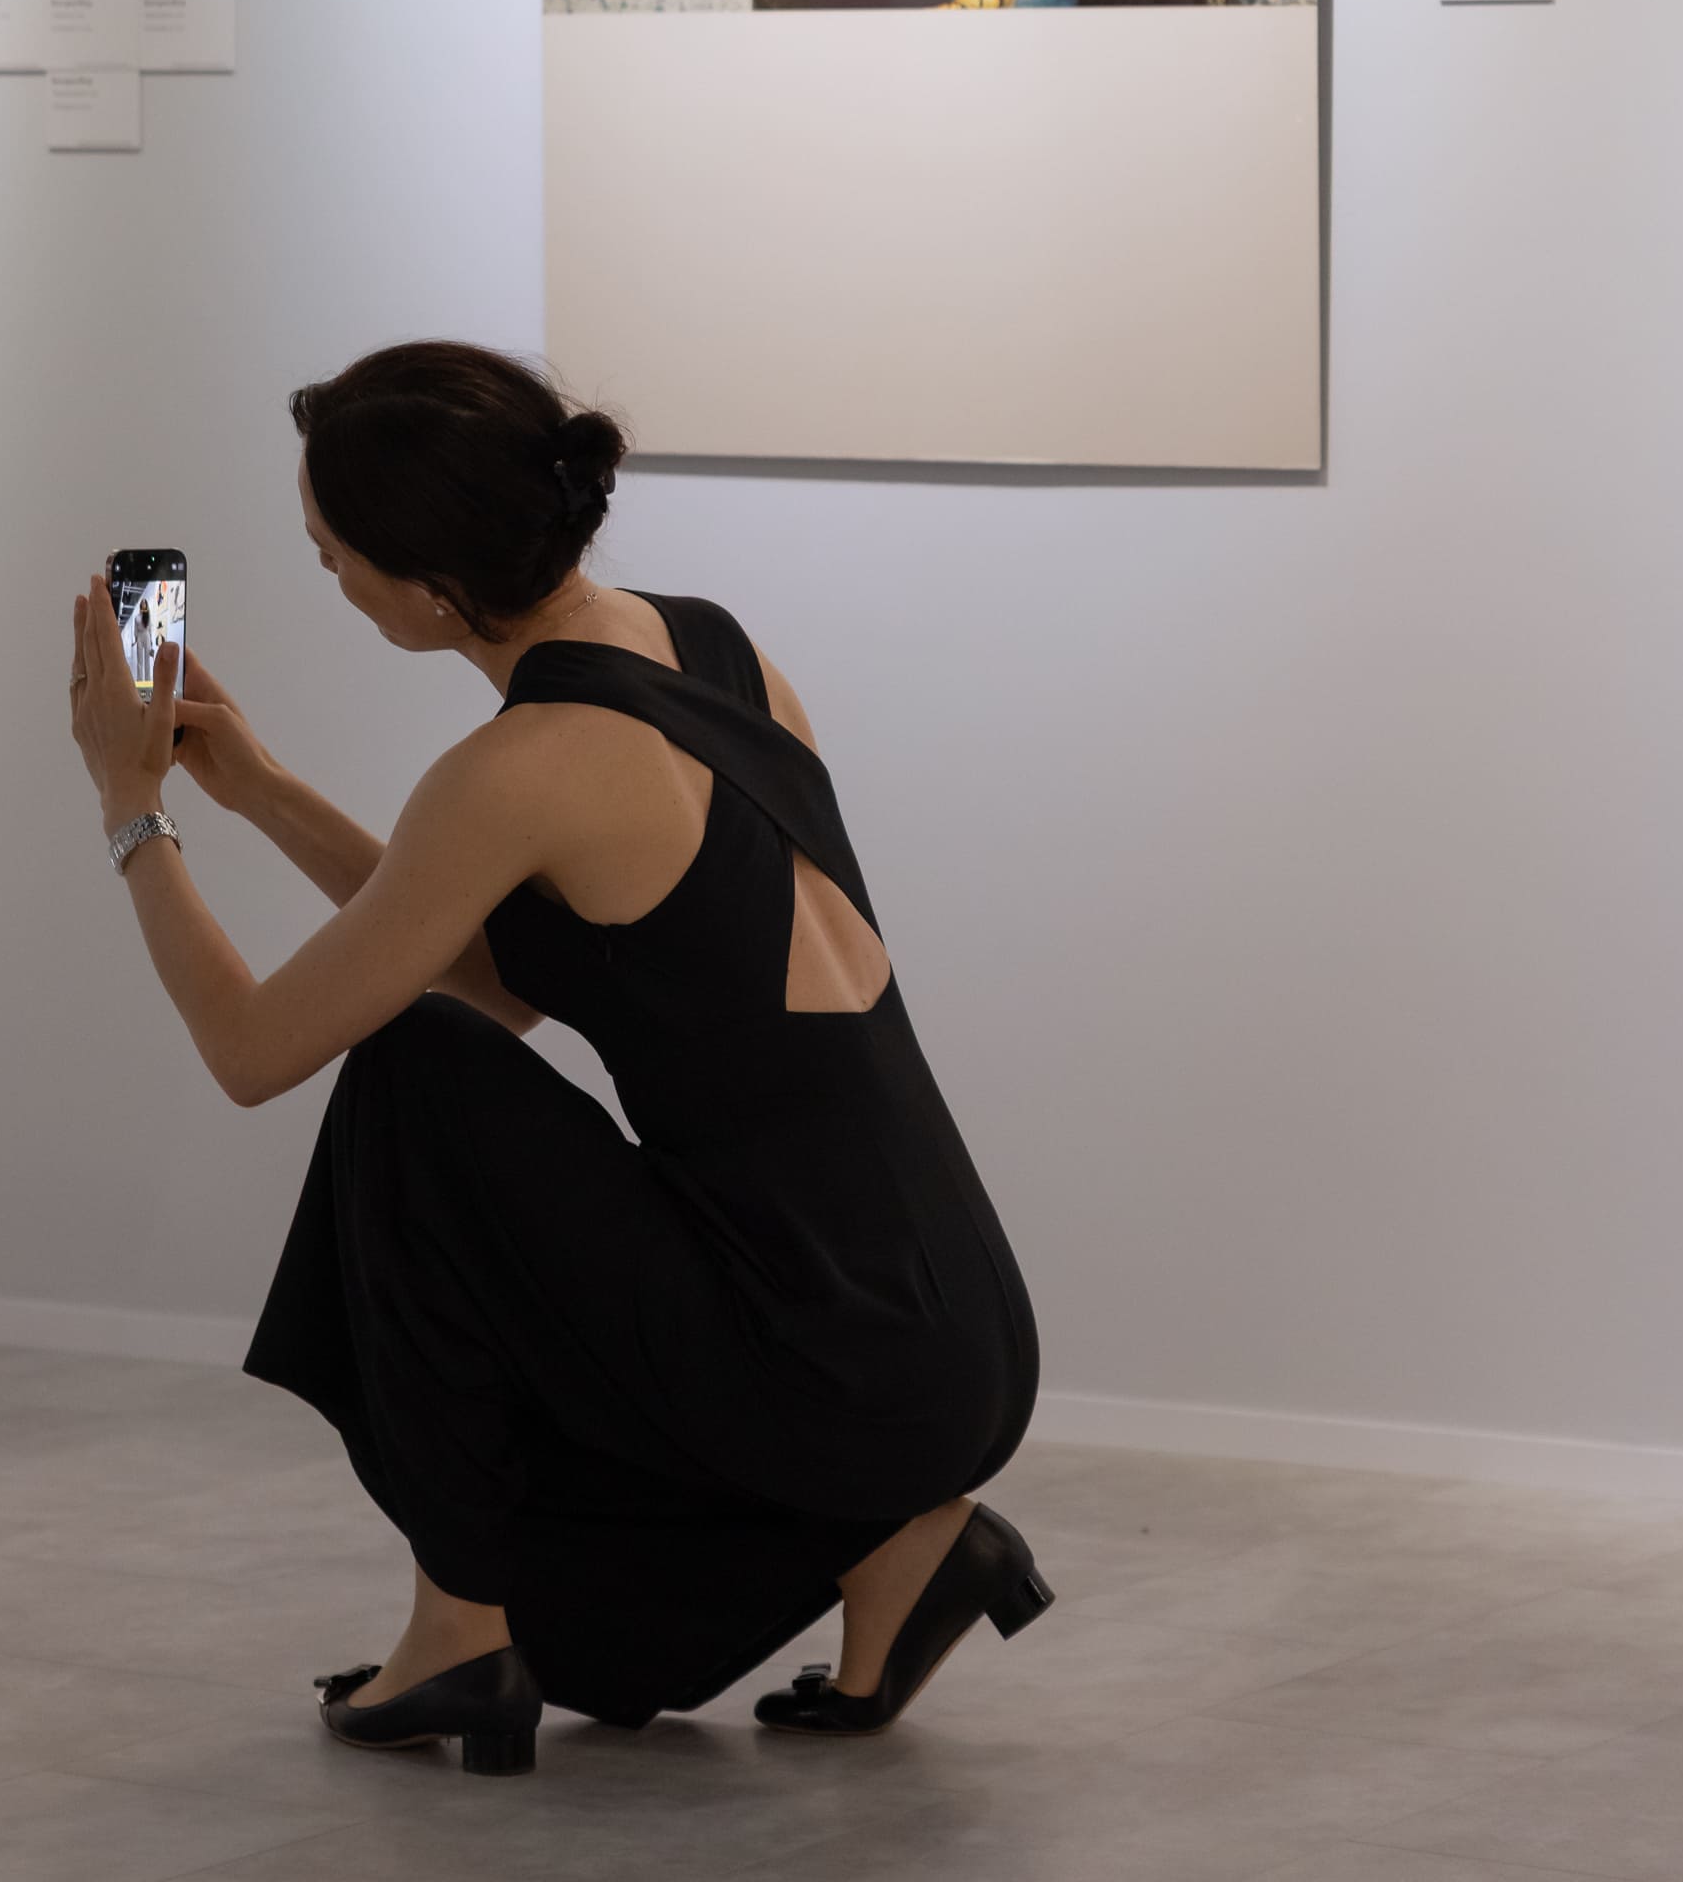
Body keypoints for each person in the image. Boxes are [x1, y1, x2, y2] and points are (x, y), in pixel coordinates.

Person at [64, 337, 1048, 1782]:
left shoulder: (520, 766)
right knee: (438, 1052)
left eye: (333, 557)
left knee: (405, 1078)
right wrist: (258, 786)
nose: (330, 580)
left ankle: (460, 1630)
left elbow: (253, 1047)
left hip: (833, 1365)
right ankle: (905, 1549)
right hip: (955, 1325)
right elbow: (491, 977)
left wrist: (131, 809)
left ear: (427, 583)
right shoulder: (710, 648)